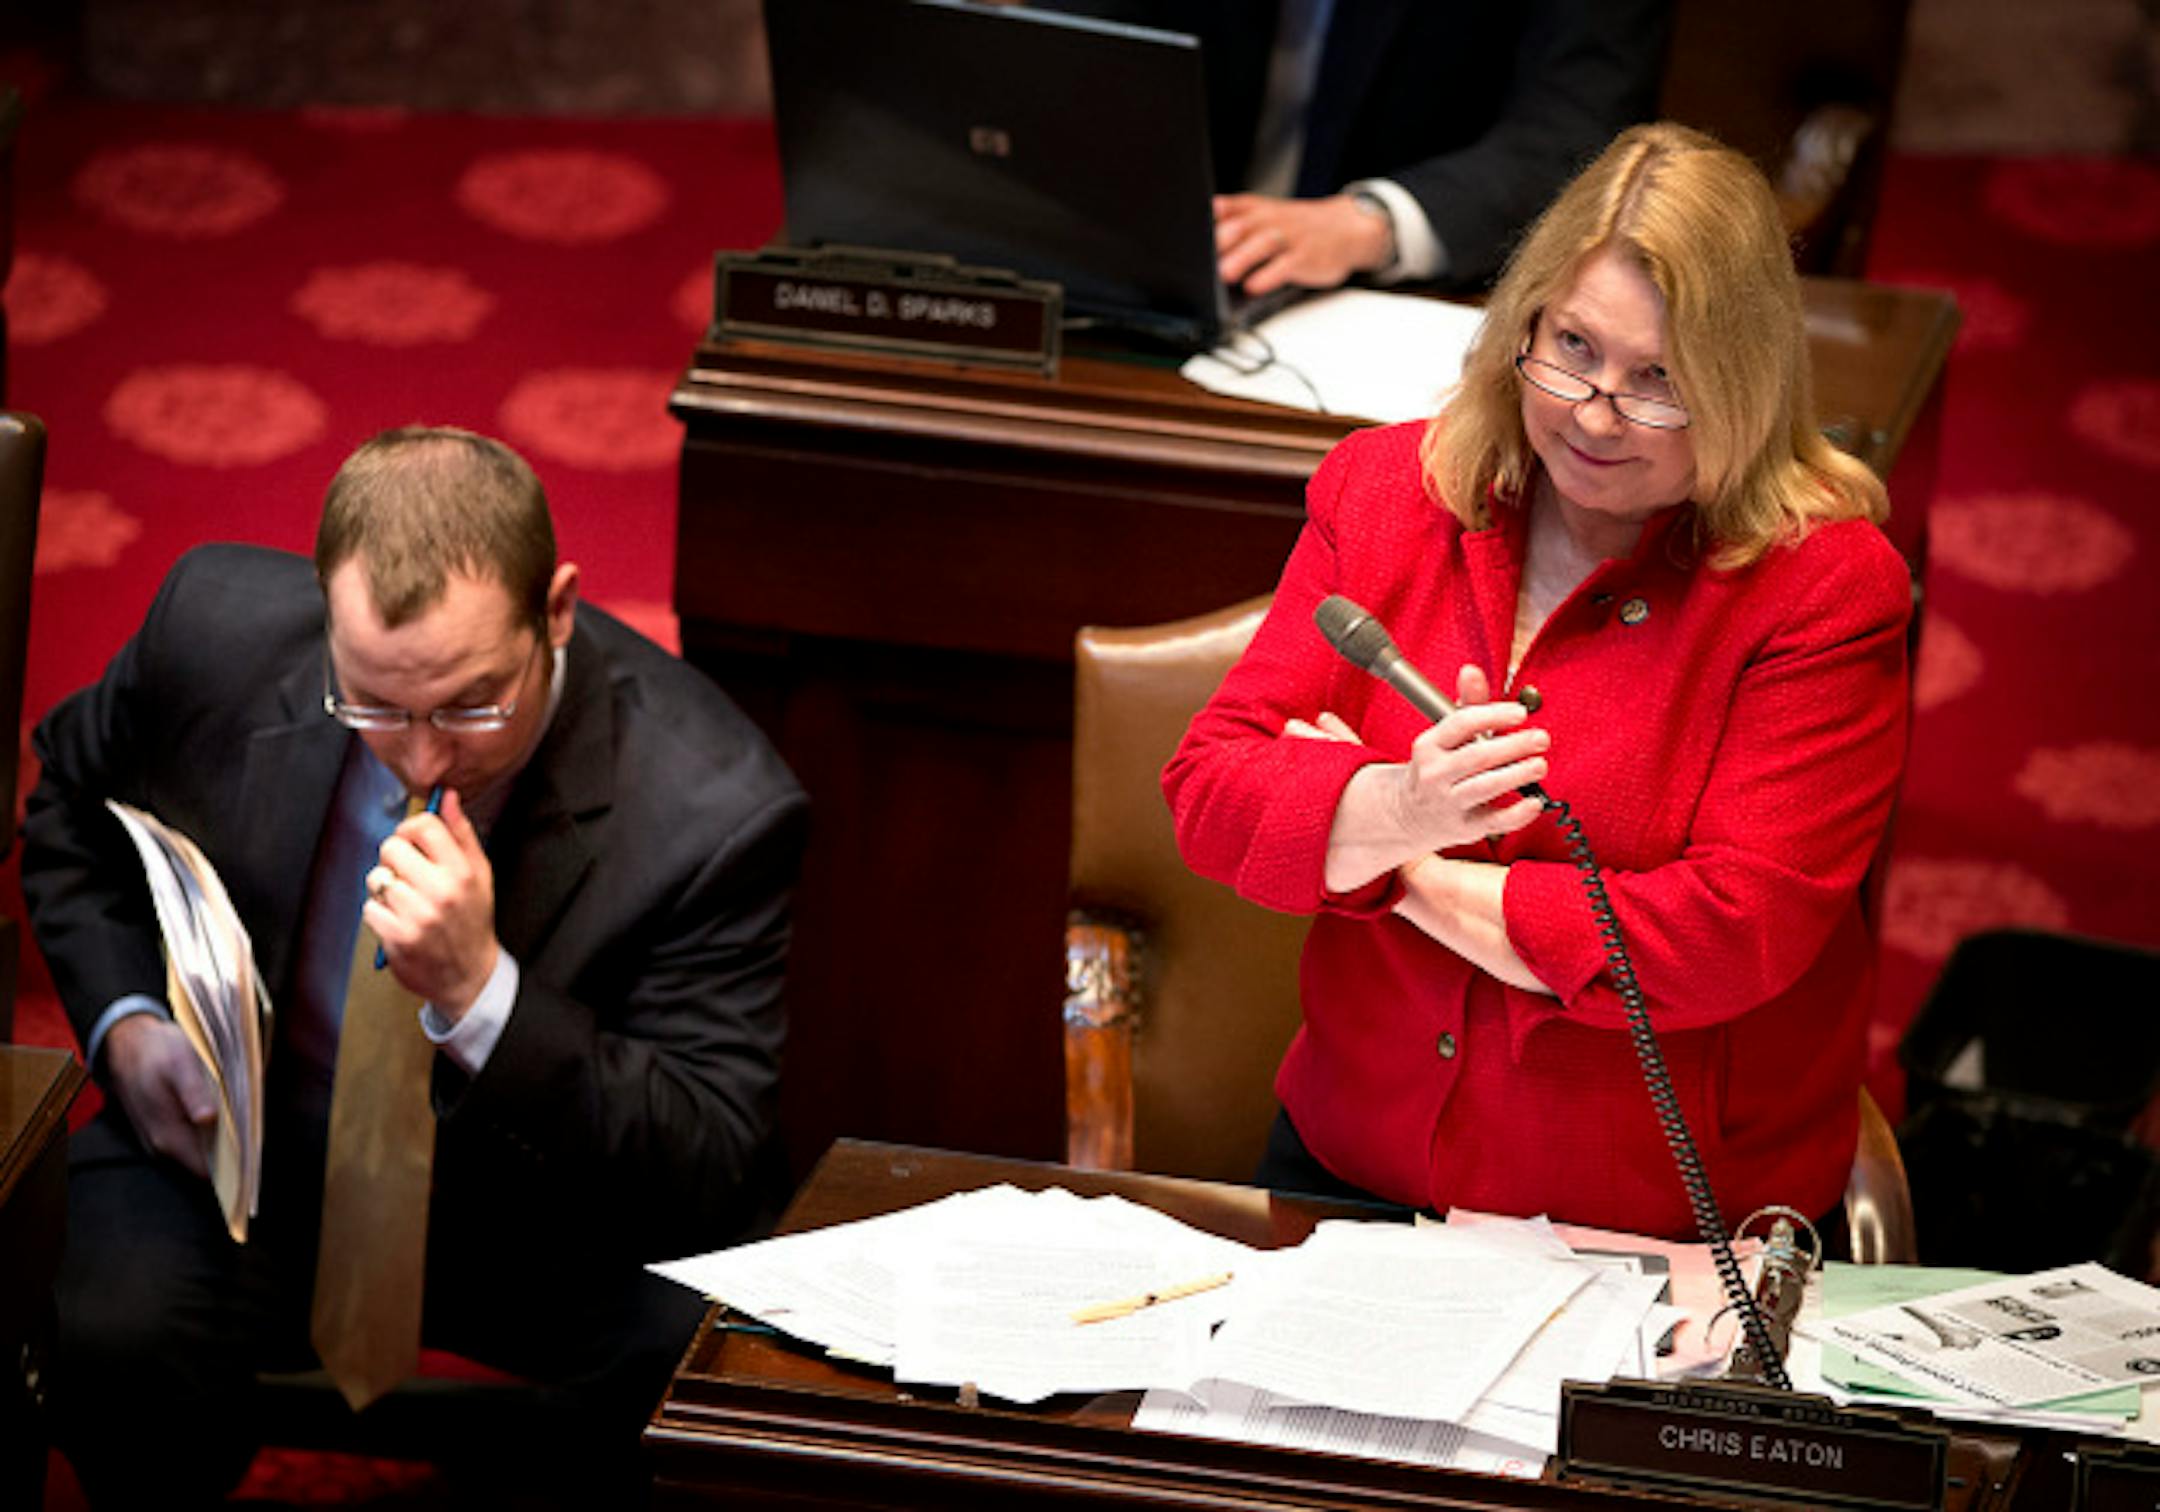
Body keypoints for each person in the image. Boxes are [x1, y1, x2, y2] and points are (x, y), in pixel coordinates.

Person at [21, 426, 808, 1504]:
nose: (424, 757)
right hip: (255, 1161)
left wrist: (485, 994)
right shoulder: (212, 632)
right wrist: (125, 1022)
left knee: (698, 1356)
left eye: (473, 705)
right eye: (375, 706)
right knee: (99, 1320)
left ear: (559, 611)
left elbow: (708, 1154)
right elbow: (70, 811)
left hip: (537, 1218)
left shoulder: (716, 809)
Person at [1162, 123, 1910, 1243]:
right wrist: (1399, 805)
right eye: (1572, 348)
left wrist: (1387, 855)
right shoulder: (1386, 492)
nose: (1596, 412)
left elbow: (1725, 934)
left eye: (1660, 380)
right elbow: (1211, 796)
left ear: (1743, 385)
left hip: (1649, 1220)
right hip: (1354, 1167)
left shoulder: (1822, 588)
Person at [1039, 0, 1671, 296]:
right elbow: (1060, 54)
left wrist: (1374, 222)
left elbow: (1582, 133)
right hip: (1154, 282)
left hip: (1414, 306)